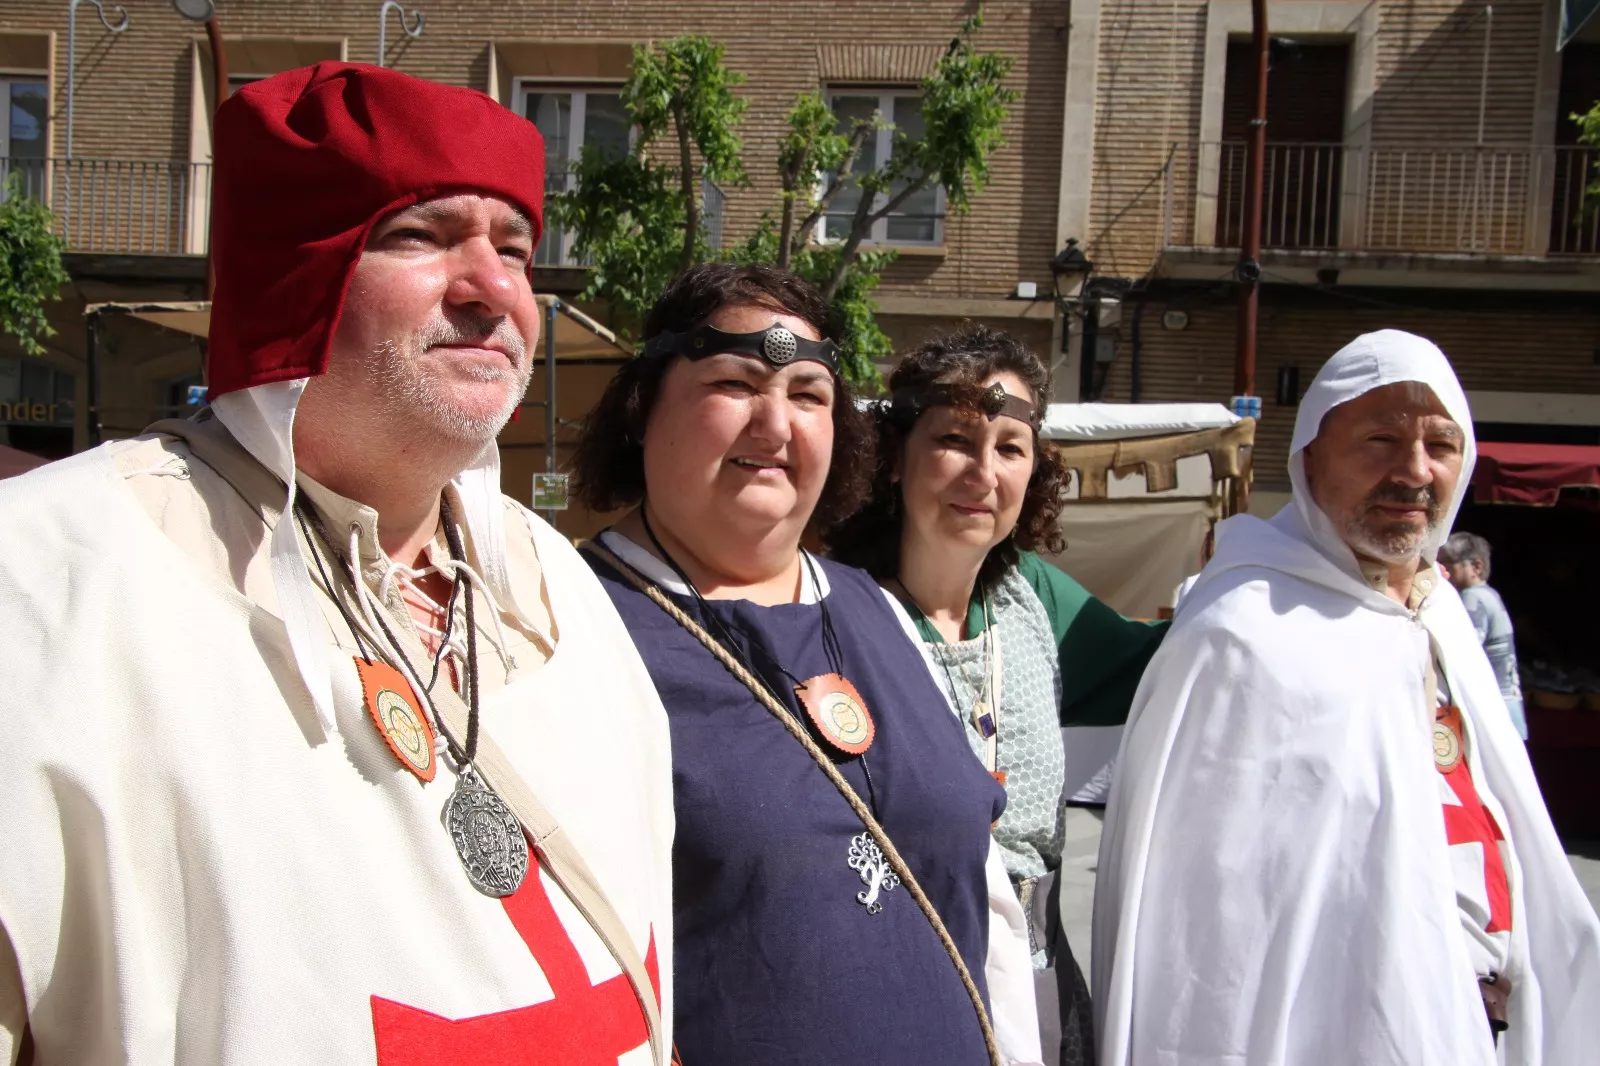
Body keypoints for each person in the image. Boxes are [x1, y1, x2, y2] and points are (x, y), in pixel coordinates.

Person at [0, 63, 674, 1064]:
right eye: (420, 235)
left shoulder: (556, 584)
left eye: (516, 249)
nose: (495, 290)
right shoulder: (51, 571)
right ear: (292, 274)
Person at [573, 263, 1043, 1066]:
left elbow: (980, 896)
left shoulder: (877, 609)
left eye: (808, 395)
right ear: (645, 407)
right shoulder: (576, 627)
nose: (775, 425)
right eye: (735, 383)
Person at [1093, 329, 1600, 1065]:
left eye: (1441, 445)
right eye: (1380, 441)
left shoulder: (1441, 612)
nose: (1415, 472)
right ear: (1308, 461)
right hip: (1329, 1028)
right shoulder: (1242, 634)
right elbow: (1204, 935)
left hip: (1475, 1018)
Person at [825, 324, 1165, 1066]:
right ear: (894, 459)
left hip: (1038, 983)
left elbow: (1178, 672)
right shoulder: (829, 611)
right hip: (892, 981)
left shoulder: (1033, 599)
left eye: (1010, 447)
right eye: (954, 440)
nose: (984, 471)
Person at [1440, 531, 1528, 739]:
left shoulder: (1473, 598)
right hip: (1510, 702)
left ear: (1476, 567)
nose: (1443, 572)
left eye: (1449, 565)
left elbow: (1464, 650)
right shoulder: (1491, 594)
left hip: (1493, 707)